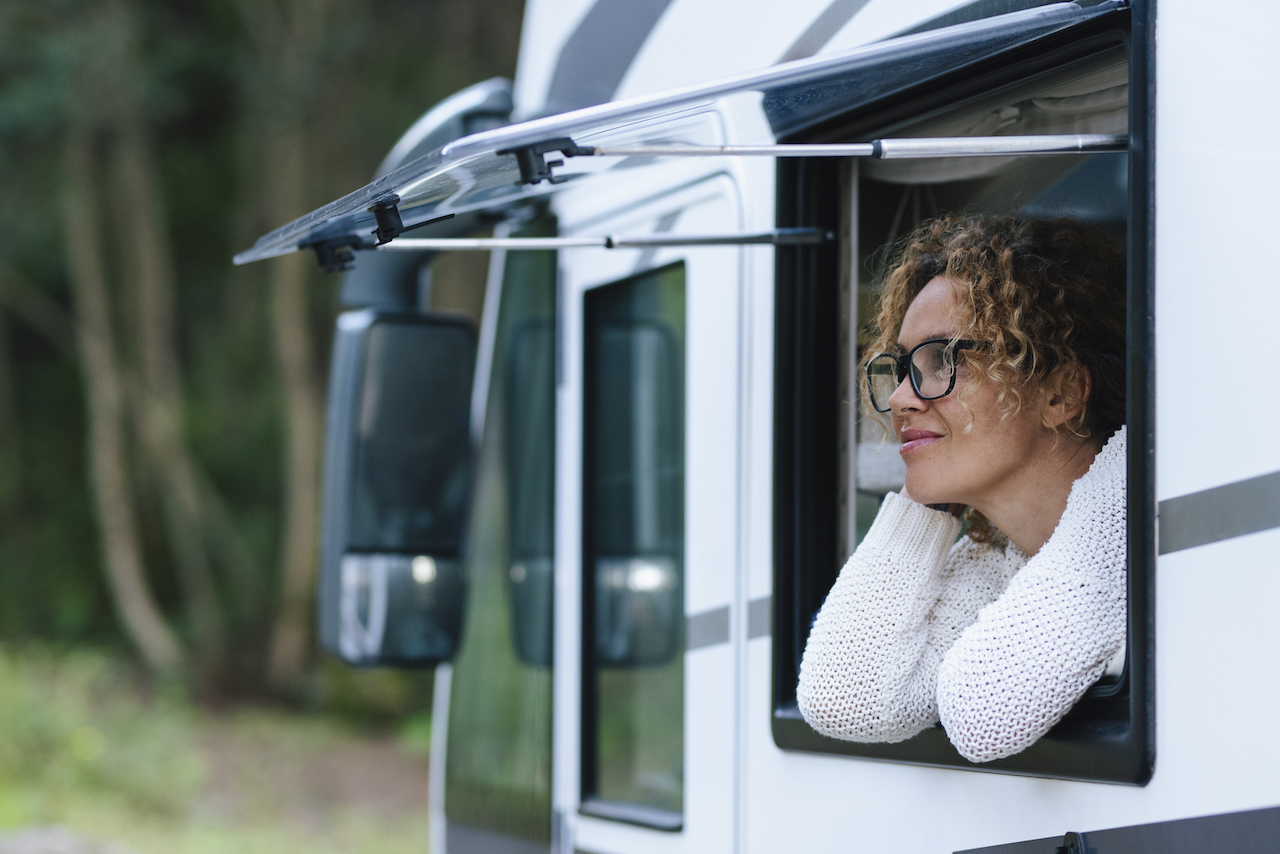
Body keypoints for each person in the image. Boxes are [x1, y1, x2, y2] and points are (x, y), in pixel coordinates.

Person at [796, 214, 1127, 764]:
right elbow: (846, 700)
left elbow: (983, 713)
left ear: (1061, 392)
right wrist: (926, 499)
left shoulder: (1133, 524)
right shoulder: (998, 558)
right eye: (901, 367)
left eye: (941, 360)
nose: (901, 398)